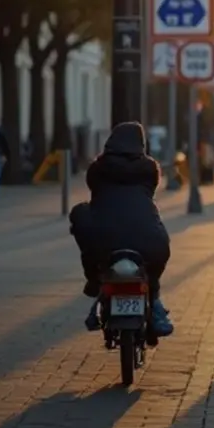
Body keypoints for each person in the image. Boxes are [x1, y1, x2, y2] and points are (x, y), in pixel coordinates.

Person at [68, 123, 173, 336]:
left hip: (103, 241)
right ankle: (154, 301)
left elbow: (94, 191)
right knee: (154, 259)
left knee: (80, 212)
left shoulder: (97, 167)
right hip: (150, 243)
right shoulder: (149, 168)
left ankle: (94, 279)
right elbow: (151, 190)